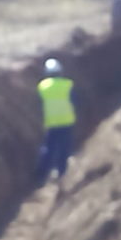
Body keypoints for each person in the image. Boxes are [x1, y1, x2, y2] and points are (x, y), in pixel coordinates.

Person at [36, 58, 76, 186]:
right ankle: (61, 172)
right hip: (66, 121)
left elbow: (38, 103)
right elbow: (75, 100)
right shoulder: (68, 84)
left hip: (52, 122)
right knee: (64, 148)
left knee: (49, 148)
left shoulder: (42, 86)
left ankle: (41, 173)